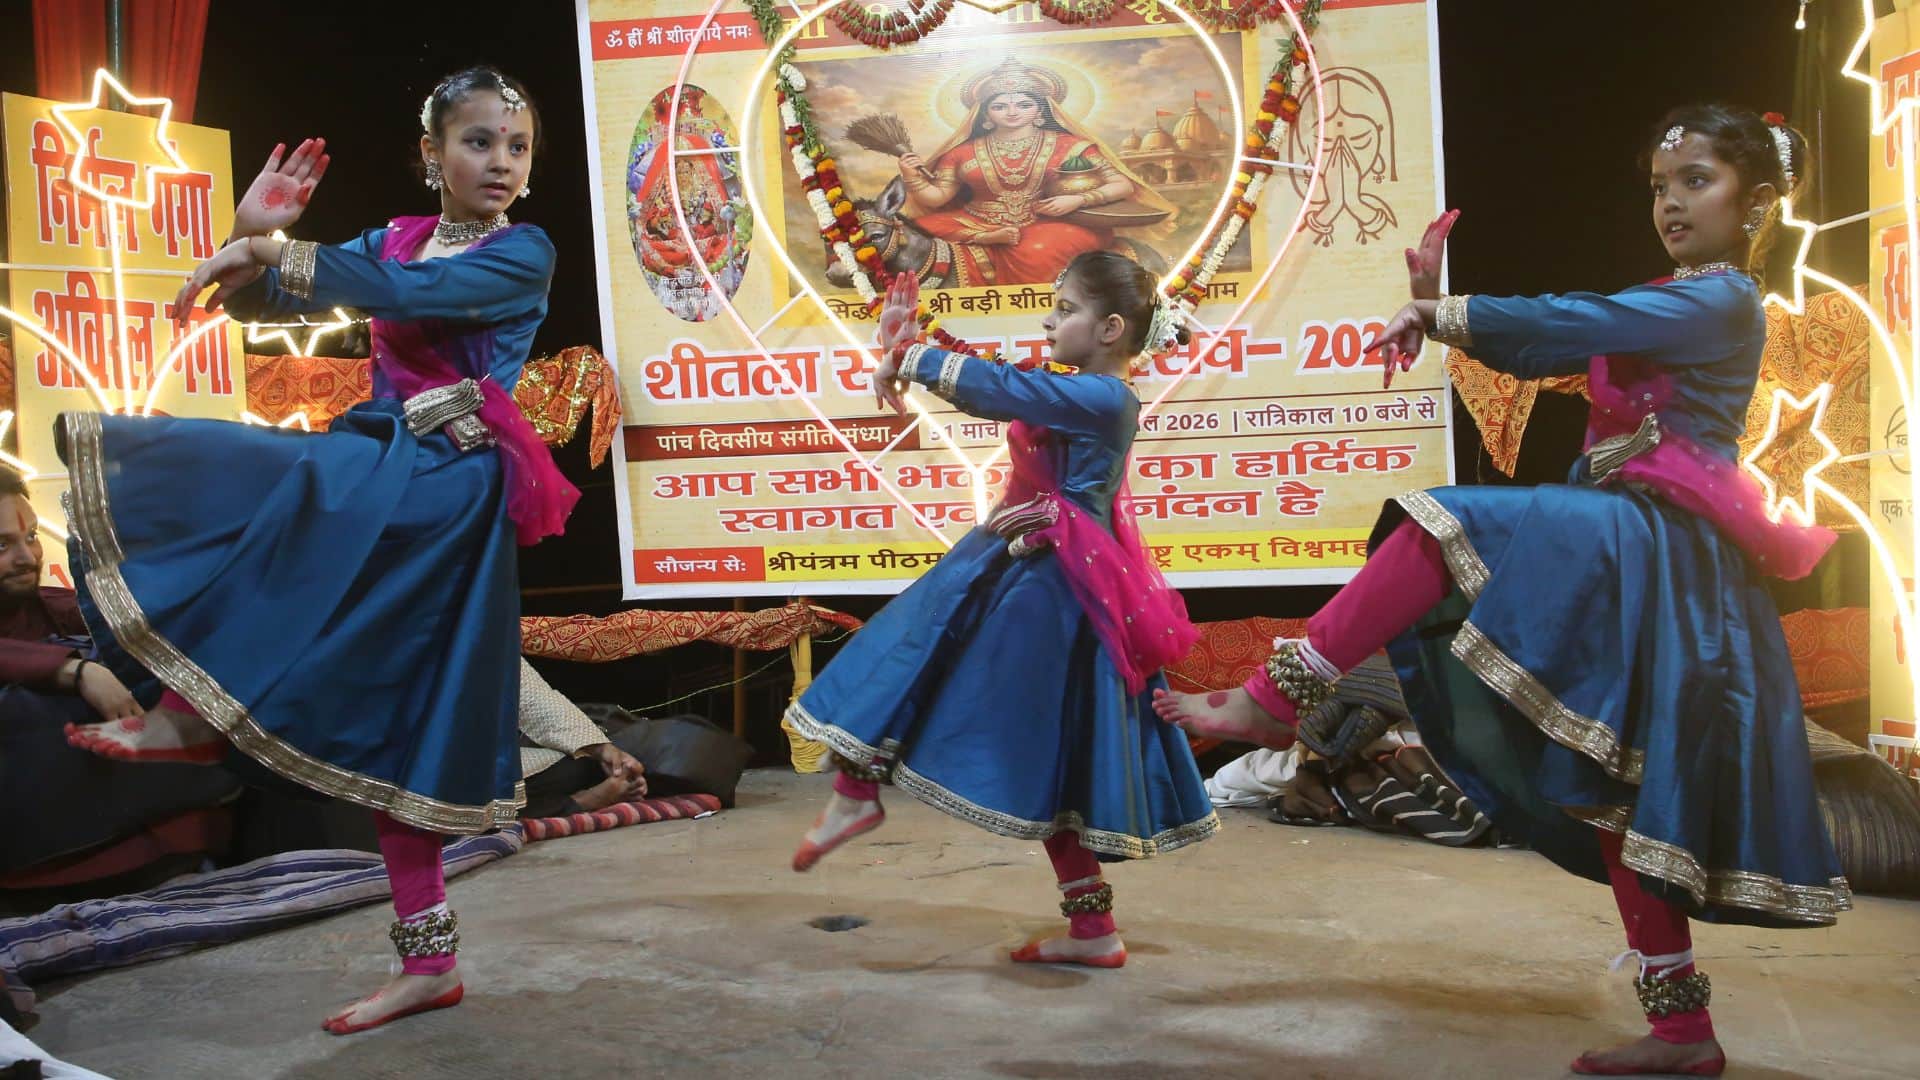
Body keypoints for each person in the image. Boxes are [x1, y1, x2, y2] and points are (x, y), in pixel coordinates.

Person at [1154, 105, 1847, 1076]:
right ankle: (1682, 1031)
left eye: (1697, 181)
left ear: (1759, 202)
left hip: (1662, 547)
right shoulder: (1673, 295)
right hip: (1630, 546)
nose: (1670, 202)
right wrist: (1444, 310)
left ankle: (1275, 699)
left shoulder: (1725, 300)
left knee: (1443, 524)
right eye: (1660, 185)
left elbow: (1584, 322)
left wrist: (1446, 314)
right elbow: (1561, 344)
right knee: (1612, 795)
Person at [56, 66, 577, 1034]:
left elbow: (401, 292)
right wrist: (245, 237)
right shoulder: (395, 235)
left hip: (447, 488)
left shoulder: (522, 251)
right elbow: (265, 305)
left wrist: (274, 250)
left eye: (517, 146)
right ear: (432, 156)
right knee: (382, 708)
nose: (501, 161)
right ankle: (429, 961)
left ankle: (186, 721)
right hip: (382, 463)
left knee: (295, 507)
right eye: (477, 141)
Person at [786, 253, 1216, 968]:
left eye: (1065, 309)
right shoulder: (1076, 388)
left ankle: (856, 792)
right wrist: (908, 350)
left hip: (1053, 592)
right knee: (1018, 728)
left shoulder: (1106, 397)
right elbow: (1006, 385)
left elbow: (1001, 389)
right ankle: (1093, 931)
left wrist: (910, 356)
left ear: (1110, 328)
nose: (1048, 320)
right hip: (1025, 567)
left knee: (929, 663)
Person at [0, 467, 237, 878]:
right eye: (2, 544)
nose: (27, 558)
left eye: (32, 536)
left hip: (184, 850)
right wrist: (76, 672)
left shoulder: (56, 607)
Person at [896, 58, 1173, 287]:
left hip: (1051, 221)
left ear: (1041, 109)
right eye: (1000, 106)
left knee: (1036, 251)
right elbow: (937, 197)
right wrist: (911, 175)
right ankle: (987, 239)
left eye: (1024, 104)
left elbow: (1122, 185)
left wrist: (1077, 200)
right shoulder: (962, 152)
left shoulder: (1070, 146)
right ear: (985, 114)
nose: (1012, 112)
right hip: (978, 219)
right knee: (917, 231)